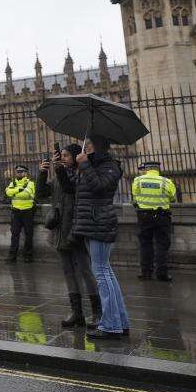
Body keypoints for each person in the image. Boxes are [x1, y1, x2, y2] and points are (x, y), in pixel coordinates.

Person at [72, 135, 129, 340]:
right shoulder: (95, 165)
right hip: (92, 223)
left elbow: (100, 188)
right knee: (106, 272)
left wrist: (85, 165)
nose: (85, 149)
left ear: (97, 146)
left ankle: (111, 325)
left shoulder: (111, 166)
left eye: (88, 145)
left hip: (100, 223)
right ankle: (120, 321)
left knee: (102, 273)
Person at [38, 144, 100, 329]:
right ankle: (77, 312)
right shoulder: (59, 176)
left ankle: (97, 312)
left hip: (76, 229)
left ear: (74, 157)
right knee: (68, 272)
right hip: (60, 231)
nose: (62, 158)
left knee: (86, 271)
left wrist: (58, 169)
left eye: (66, 155)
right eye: (61, 155)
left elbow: (70, 188)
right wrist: (43, 172)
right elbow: (40, 194)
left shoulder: (80, 176)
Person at [132, 160, 177, 282]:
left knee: (145, 244)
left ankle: (146, 272)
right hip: (162, 216)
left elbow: (135, 196)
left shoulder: (138, 180)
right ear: (157, 169)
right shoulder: (166, 182)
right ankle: (162, 273)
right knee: (162, 245)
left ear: (147, 169)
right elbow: (172, 197)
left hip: (144, 216)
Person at [4, 165, 36, 262]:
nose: (19, 173)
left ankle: (28, 256)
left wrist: (14, 192)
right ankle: (12, 256)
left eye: (22, 172)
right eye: (18, 172)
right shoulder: (13, 183)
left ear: (26, 173)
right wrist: (19, 190)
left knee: (28, 234)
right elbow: (8, 193)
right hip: (16, 212)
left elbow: (27, 194)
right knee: (14, 234)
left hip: (27, 211)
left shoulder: (30, 183)